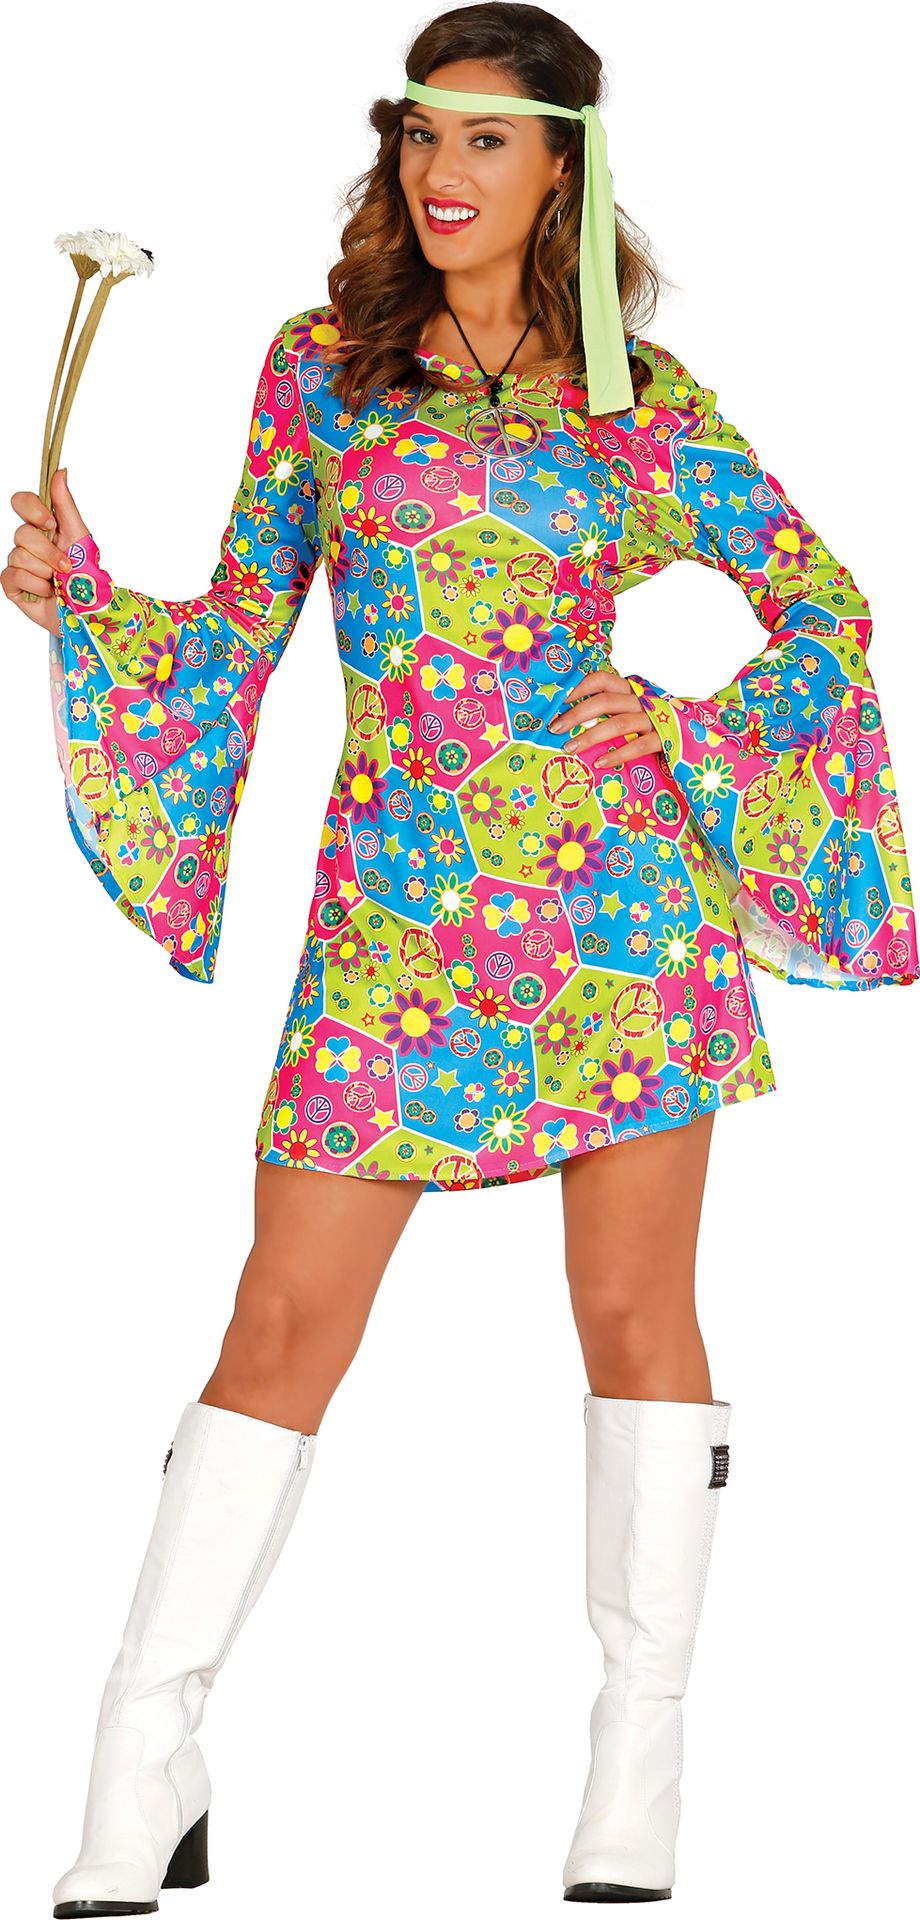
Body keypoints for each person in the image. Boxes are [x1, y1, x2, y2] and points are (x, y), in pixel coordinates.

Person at [6, 6, 917, 1911]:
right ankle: (140, 1759)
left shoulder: (639, 400)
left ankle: (635, 1779)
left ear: (563, 166)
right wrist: (78, 596)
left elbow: (825, 610)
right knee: (280, 1323)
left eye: (489, 140)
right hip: (397, 925)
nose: (445, 172)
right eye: (425, 135)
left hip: (619, 918)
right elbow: (237, 632)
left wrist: (684, 723)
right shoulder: (322, 371)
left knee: (637, 1321)